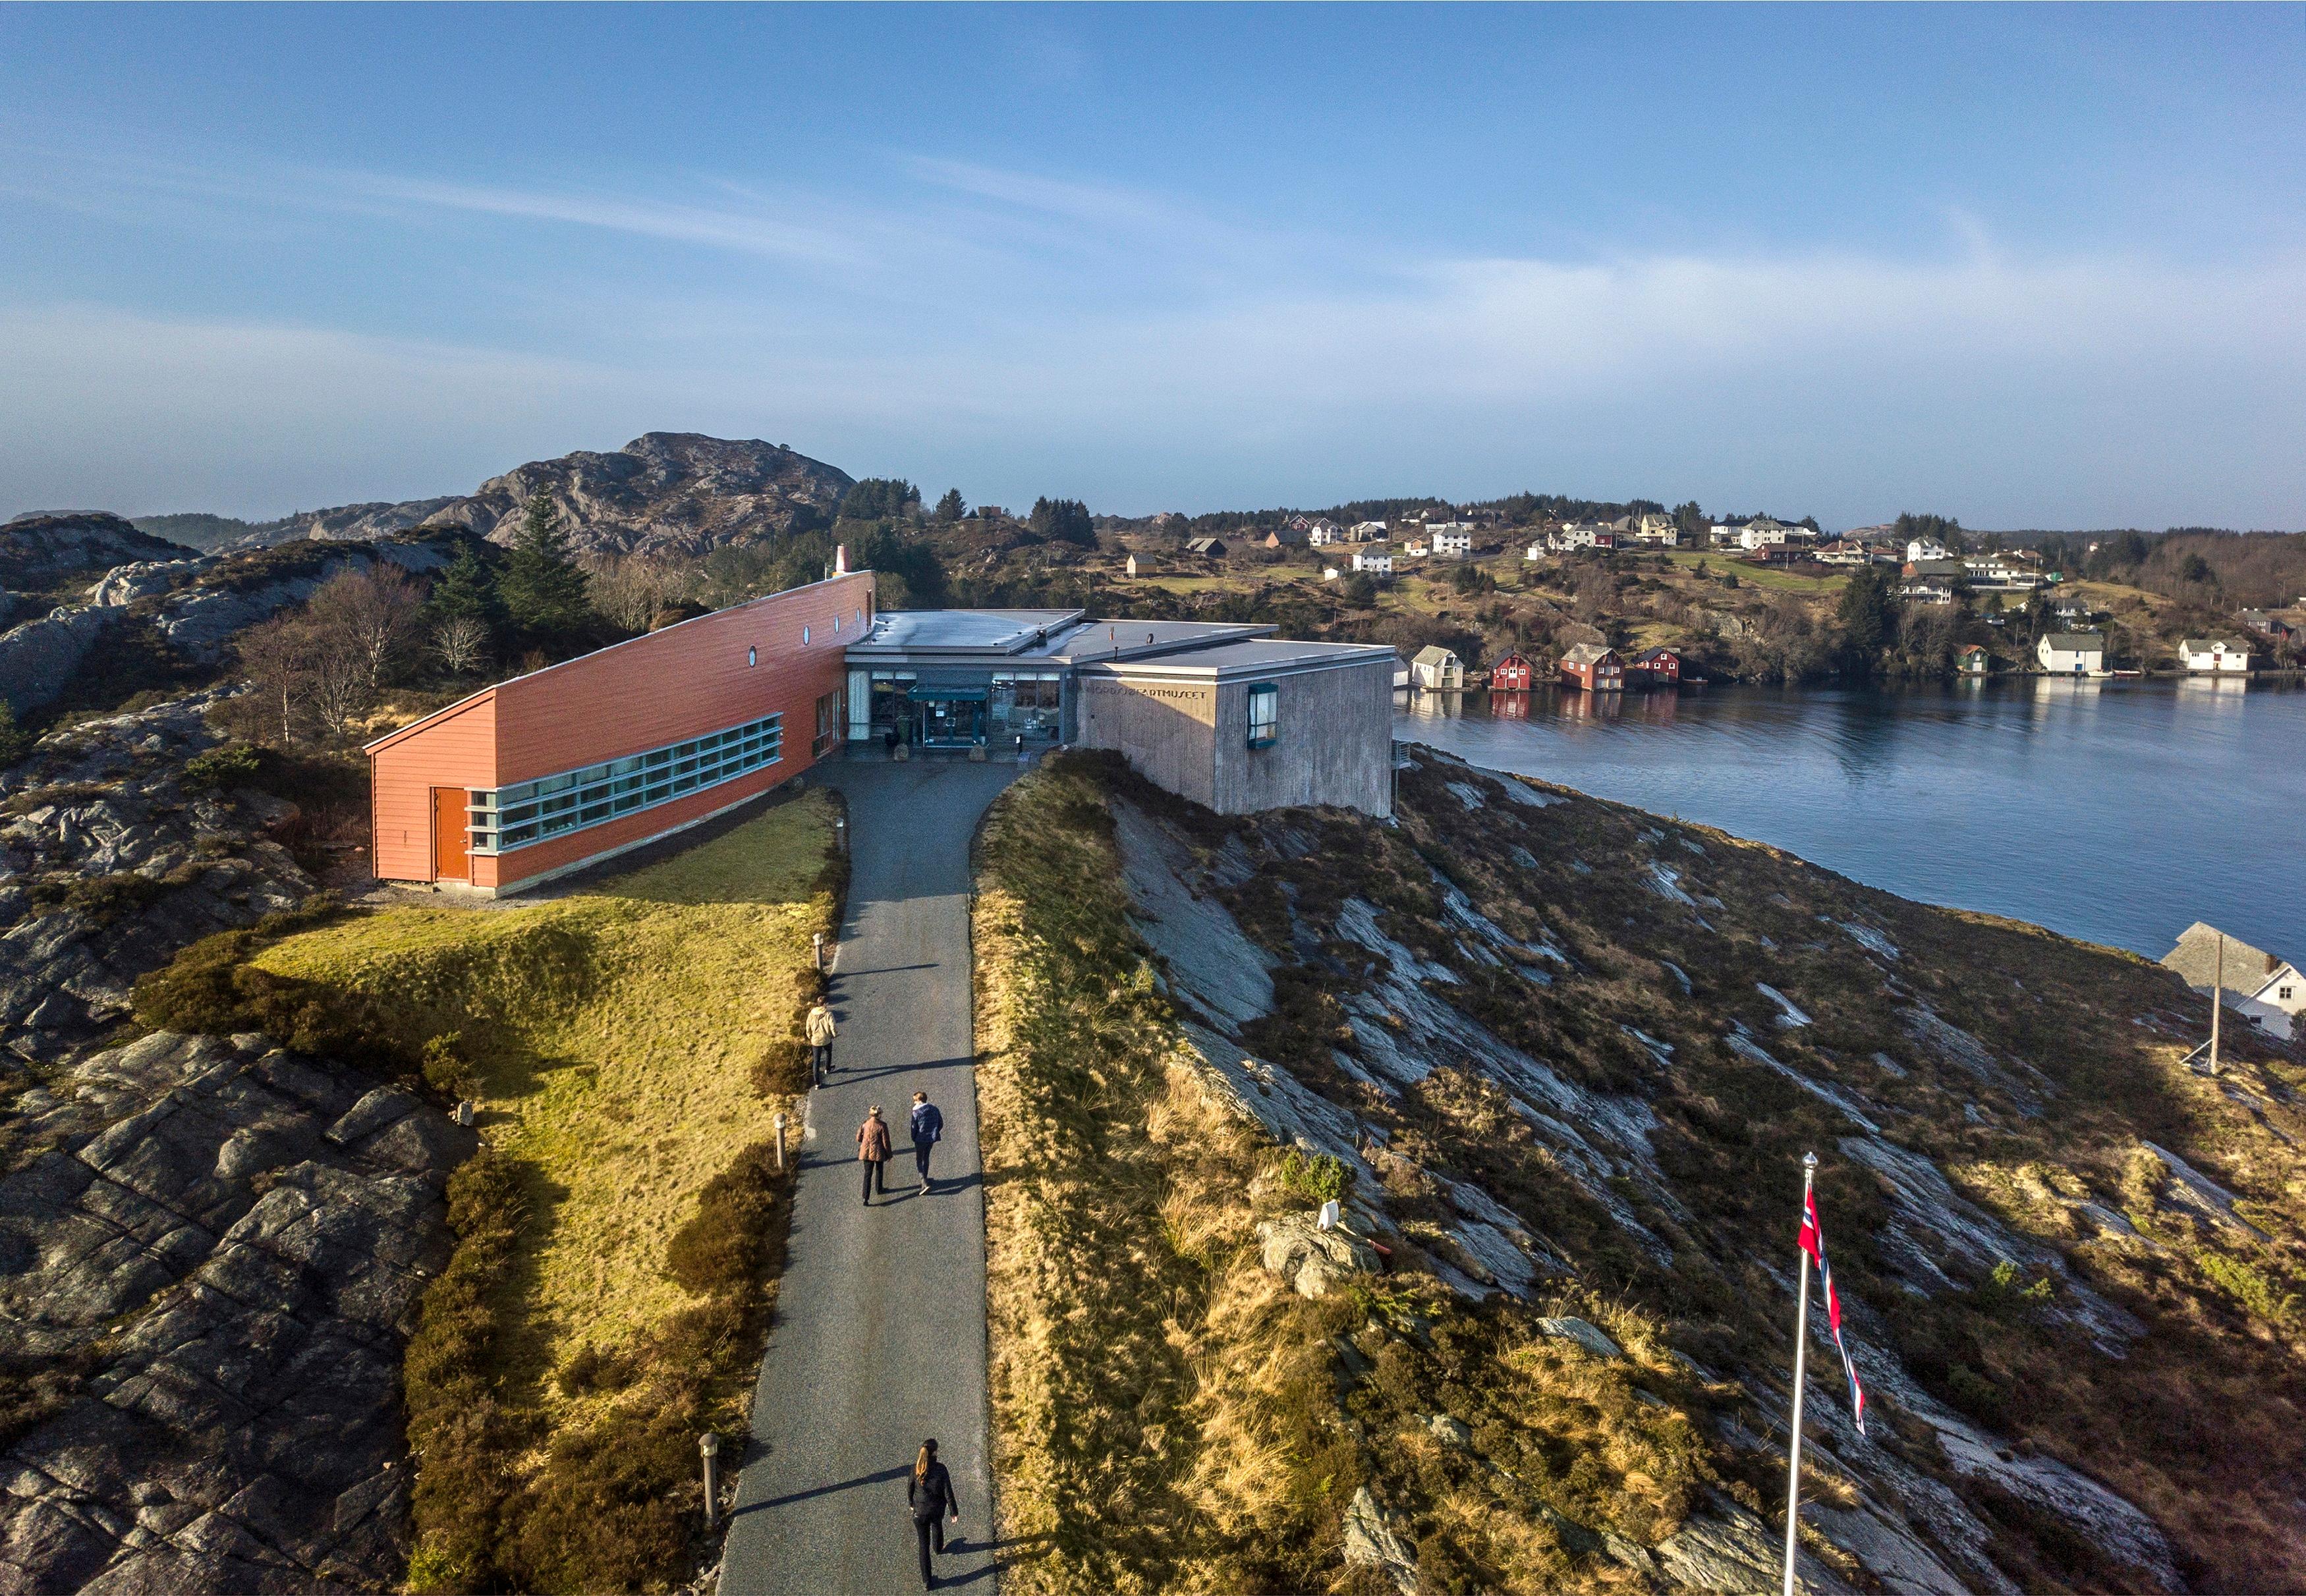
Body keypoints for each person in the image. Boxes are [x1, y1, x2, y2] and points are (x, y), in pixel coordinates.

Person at [907, 1438, 960, 1589]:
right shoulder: (941, 1469)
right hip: (936, 1511)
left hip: (919, 1513)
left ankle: (927, 1581)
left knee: (923, 1546)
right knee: (937, 1526)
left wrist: (912, 1504)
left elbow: (910, 1488)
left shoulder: (915, 1469)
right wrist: (953, 1511)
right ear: (935, 1452)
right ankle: (938, 1548)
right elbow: (948, 1492)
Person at [909, 1091, 943, 1194]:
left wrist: (914, 1137)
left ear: (919, 1101)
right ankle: (926, 1178)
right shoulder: (934, 1109)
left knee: (919, 1160)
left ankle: (924, 1183)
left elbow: (914, 1127)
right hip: (931, 1138)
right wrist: (935, 1132)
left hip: (920, 1139)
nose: (914, 1103)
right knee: (926, 1157)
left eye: (915, 1100)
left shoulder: (916, 1113)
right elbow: (941, 1123)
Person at [857, 1106, 891, 1204]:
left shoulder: (865, 1124)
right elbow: (886, 1142)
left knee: (867, 1174)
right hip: (878, 1152)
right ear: (879, 1114)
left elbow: (858, 1138)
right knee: (879, 1170)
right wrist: (889, 1155)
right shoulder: (882, 1126)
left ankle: (865, 1198)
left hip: (866, 1152)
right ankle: (879, 1189)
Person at [805, 999, 836, 1086]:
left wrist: (810, 1036)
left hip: (815, 1041)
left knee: (816, 1061)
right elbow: (833, 1026)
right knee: (828, 1052)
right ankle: (828, 1068)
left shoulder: (811, 1014)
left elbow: (808, 1027)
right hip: (826, 1039)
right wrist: (834, 1034)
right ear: (825, 1004)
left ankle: (817, 1082)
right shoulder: (828, 1014)